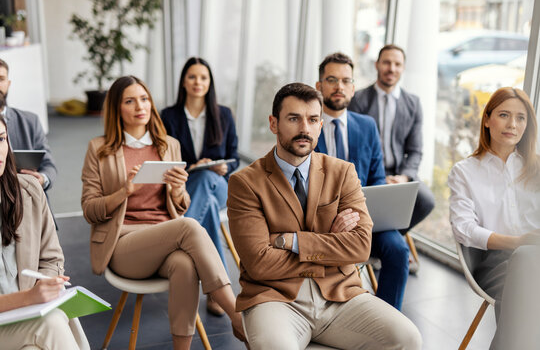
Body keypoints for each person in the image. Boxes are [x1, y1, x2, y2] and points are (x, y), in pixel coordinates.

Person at [228, 82, 421, 349]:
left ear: (321, 125)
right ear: (274, 123)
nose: (304, 129)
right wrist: (331, 245)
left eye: (313, 119)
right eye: (294, 119)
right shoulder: (245, 183)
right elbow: (259, 263)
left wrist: (291, 241)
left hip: (340, 296)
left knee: (408, 338)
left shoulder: (342, 173)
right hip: (275, 297)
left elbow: (361, 247)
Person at [81, 75, 244, 350]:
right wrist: (124, 191)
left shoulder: (169, 145)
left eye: (144, 99)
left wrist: (179, 190)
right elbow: (90, 210)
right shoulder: (99, 149)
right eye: (130, 101)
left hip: (165, 239)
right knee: (189, 226)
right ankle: (237, 314)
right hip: (123, 245)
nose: (140, 106)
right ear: (116, 109)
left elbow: (179, 206)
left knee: (184, 264)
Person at [314, 52, 409, 310]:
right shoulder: (309, 126)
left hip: (362, 219)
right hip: (318, 223)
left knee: (398, 250)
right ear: (319, 86)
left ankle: (387, 323)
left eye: (346, 81)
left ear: (353, 88)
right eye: (332, 80)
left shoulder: (367, 126)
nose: (339, 87)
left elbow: (377, 178)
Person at [448, 87, 540, 349]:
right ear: (487, 119)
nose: (513, 124)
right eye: (504, 115)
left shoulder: (537, 168)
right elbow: (464, 229)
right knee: (529, 276)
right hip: (494, 262)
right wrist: (518, 242)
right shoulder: (465, 172)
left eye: (521, 118)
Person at [0, 115, 87, 349]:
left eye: (0, 139)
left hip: (27, 316)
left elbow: (52, 258)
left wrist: (45, 287)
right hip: (23, 314)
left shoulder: (28, 190)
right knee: (51, 323)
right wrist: (27, 298)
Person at [161, 57, 239, 315]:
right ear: (184, 81)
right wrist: (192, 168)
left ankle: (176, 238)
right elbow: (163, 158)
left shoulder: (223, 114)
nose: (198, 82)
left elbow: (235, 157)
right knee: (209, 202)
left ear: (210, 82)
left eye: (203, 77)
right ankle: (218, 287)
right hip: (185, 186)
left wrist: (224, 166)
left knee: (208, 182)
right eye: (193, 77)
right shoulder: (169, 116)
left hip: (219, 183)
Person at [348, 45, 434, 248]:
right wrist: (379, 177)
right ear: (377, 64)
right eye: (386, 62)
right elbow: (353, 149)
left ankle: (382, 240)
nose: (391, 68)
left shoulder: (413, 103)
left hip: (399, 175)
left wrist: (404, 176)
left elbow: (415, 150)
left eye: (397, 64)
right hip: (368, 174)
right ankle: (386, 244)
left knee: (426, 200)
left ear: (403, 68)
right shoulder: (358, 100)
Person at [0, 58, 57, 191]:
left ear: (8, 84)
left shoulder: (30, 121)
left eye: (1, 79)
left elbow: (48, 165)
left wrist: (42, 179)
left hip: (29, 195)